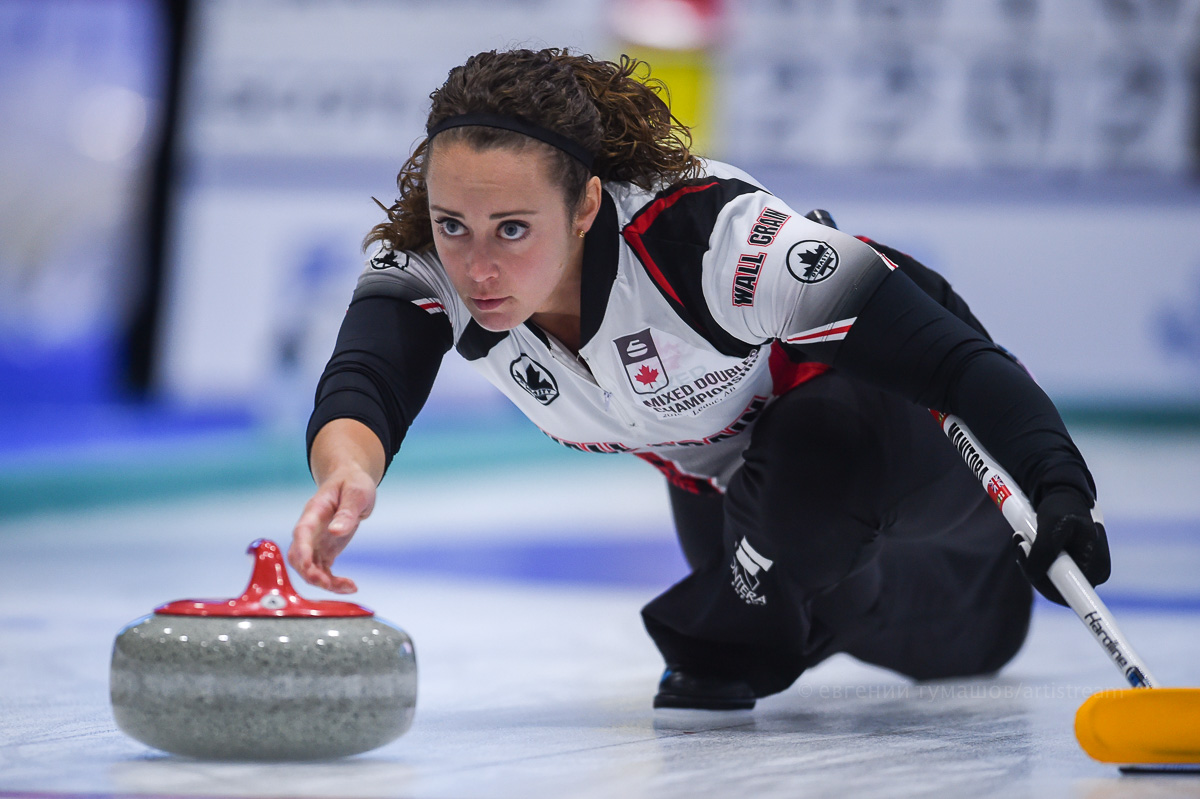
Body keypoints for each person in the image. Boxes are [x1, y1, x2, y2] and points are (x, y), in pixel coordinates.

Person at [289, 48, 1110, 709]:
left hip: (887, 412)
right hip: (730, 477)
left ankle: (761, 605)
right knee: (836, 603)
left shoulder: (710, 242)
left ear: (585, 208)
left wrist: (1060, 484)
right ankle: (953, 611)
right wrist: (348, 472)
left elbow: (955, 361)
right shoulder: (429, 267)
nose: (477, 266)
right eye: (452, 225)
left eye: (512, 228)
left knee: (812, 464)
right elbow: (367, 378)